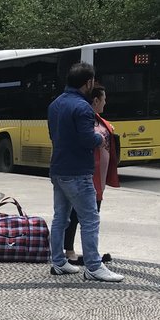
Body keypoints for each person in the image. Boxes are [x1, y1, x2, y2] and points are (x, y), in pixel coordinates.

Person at [47, 62, 123, 282]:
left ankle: (59, 262)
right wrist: (101, 137)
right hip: (78, 171)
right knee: (90, 218)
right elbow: (87, 139)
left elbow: (54, 135)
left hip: (58, 169)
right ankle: (93, 267)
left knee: (60, 217)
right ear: (88, 82)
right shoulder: (83, 108)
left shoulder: (55, 105)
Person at [64, 85, 120, 265]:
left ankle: (90, 251)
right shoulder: (86, 120)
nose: (105, 102)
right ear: (95, 100)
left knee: (93, 215)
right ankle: (70, 250)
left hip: (99, 176)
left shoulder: (100, 120)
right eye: (103, 99)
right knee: (77, 214)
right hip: (87, 174)